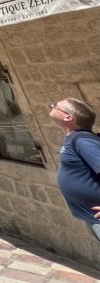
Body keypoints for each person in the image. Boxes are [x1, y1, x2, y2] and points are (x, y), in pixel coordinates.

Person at [49, 97, 100, 240]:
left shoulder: (83, 141)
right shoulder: (76, 138)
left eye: (55, 106)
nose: (52, 106)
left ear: (68, 117)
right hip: (91, 216)